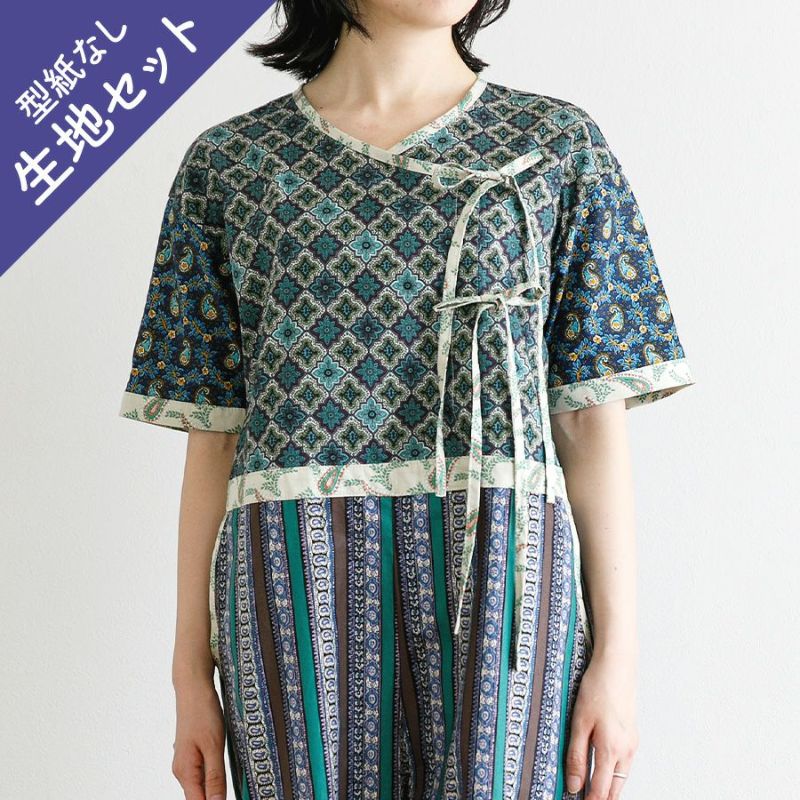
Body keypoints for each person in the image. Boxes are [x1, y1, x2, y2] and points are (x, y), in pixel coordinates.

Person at [118, 1, 695, 798]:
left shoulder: (556, 148)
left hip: (504, 577)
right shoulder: (231, 165)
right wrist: (190, 674)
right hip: (292, 575)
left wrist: (617, 664)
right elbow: (214, 437)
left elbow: (590, 422)